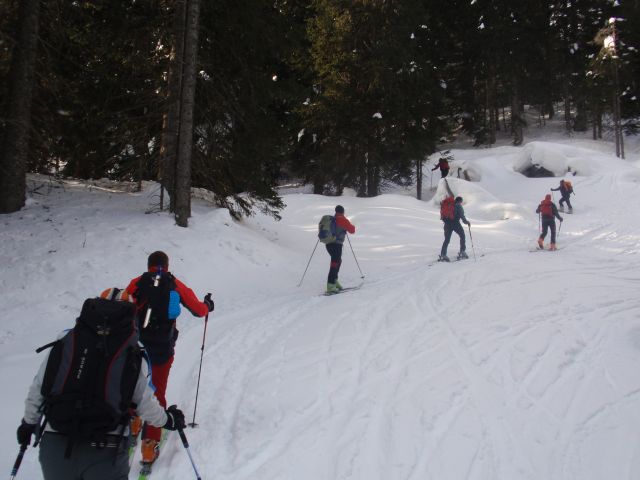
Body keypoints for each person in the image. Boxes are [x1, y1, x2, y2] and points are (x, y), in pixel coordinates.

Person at [16, 291, 186, 480]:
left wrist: (29, 423)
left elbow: (39, 388)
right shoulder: (133, 350)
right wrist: (168, 420)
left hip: (55, 444)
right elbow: (144, 402)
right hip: (106, 447)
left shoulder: (66, 340)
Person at [124, 251, 213, 465]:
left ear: (148, 265)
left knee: (132, 384)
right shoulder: (174, 284)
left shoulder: (137, 283)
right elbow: (199, 310)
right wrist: (208, 305)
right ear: (167, 265)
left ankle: (133, 423)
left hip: (136, 347)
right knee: (156, 391)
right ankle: (149, 446)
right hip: (162, 348)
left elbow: (123, 305)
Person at [325, 205, 356, 293]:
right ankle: (330, 285)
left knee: (338, 261)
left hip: (328, 244)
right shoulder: (342, 219)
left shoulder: (332, 219)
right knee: (335, 263)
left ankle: (334, 280)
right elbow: (352, 230)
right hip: (337, 245)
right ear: (342, 212)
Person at [439, 196, 471, 262]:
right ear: (460, 201)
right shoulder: (458, 206)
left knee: (447, 240)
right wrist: (466, 222)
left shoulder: (450, 205)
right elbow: (462, 216)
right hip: (455, 223)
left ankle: (443, 255)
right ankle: (462, 252)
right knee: (462, 236)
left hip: (447, 224)